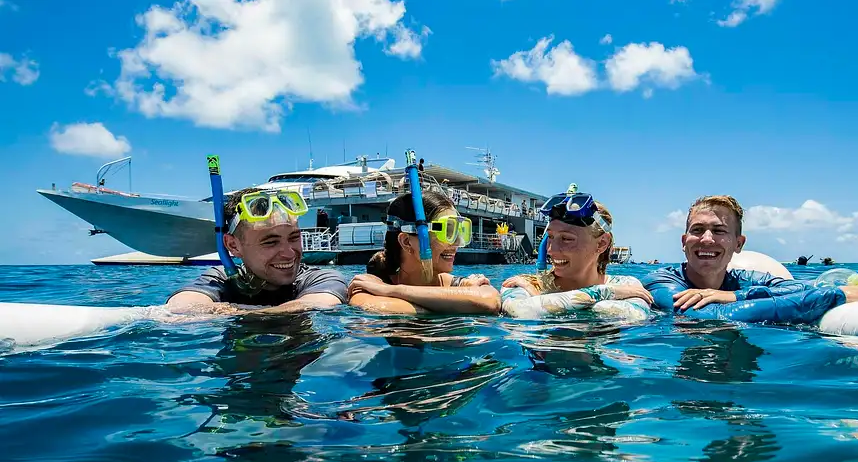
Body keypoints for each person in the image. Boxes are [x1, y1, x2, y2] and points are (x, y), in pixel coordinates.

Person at [643, 195, 858, 324]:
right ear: (684, 241)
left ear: (739, 244)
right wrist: (837, 295)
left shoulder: (743, 281)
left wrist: (736, 295)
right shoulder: (661, 283)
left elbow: (799, 287)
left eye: (719, 231)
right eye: (697, 230)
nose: (706, 239)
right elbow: (715, 316)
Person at [167, 188, 349, 314]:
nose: (289, 253)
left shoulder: (322, 279)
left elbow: (314, 306)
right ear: (233, 246)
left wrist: (225, 311)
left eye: (294, 238)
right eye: (270, 242)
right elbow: (182, 306)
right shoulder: (221, 279)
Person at [500, 184, 653, 321]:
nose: (551, 250)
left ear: (601, 243)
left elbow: (635, 316)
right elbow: (519, 310)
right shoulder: (525, 283)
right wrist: (604, 292)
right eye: (551, 237)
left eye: (566, 239)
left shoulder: (627, 284)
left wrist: (541, 303)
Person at [346, 189, 501, 315]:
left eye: (460, 232)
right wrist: (457, 304)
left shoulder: (383, 288)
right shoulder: (370, 283)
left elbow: (490, 300)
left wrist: (393, 291)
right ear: (407, 242)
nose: (456, 243)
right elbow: (371, 306)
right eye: (447, 231)